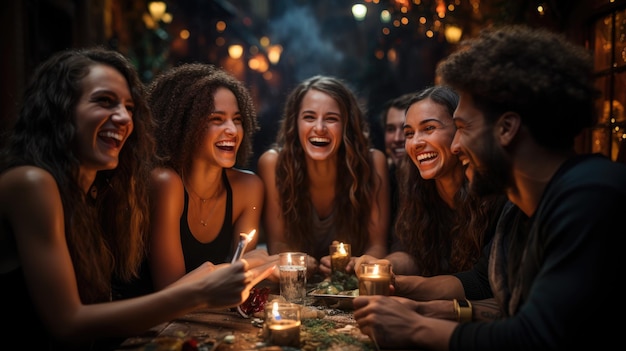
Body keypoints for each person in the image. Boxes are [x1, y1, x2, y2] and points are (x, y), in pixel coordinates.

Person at [353, 25, 625, 350]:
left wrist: (414, 326)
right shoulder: (522, 211)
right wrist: (421, 306)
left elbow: (535, 336)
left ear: (507, 128)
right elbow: (490, 291)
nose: (455, 146)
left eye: (463, 127)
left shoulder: (590, 197)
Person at [0, 48, 272, 351]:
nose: (123, 117)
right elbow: (68, 324)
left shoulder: (91, 190)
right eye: (104, 101)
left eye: (129, 107)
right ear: (59, 109)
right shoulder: (31, 183)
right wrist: (200, 292)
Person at [143, 63, 275, 291]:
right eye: (216, 119)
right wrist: (252, 263)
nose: (233, 131)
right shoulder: (165, 182)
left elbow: (241, 284)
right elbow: (170, 293)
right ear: (185, 125)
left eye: (237, 119)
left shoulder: (249, 187)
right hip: (151, 324)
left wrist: (252, 267)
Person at [257, 75, 390, 277]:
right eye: (309, 117)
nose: (319, 128)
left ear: (347, 124)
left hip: (353, 287)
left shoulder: (372, 163)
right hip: (294, 287)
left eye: (331, 119)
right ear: (296, 123)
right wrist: (300, 263)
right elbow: (277, 244)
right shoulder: (273, 163)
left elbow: (378, 246)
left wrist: (358, 264)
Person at [364, 86, 506, 276]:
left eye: (429, 128)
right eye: (409, 133)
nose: (415, 142)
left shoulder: (492, 195)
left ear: (460, 131)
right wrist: (382, 265)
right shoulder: (415, 188)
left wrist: (418, 300)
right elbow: (411, 254)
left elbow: (483, 282)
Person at [379, 92, 413, 250]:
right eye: (390, 129)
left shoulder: (435, 182)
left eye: (406, 130)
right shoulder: (381, 178)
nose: (397, 138)